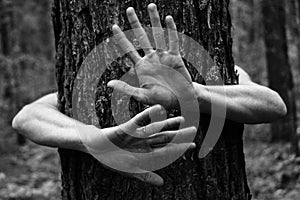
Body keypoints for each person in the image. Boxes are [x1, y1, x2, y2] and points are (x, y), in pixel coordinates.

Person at [12, 3, 287, 186]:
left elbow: (272, 105)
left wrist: (193, 94)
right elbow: (27, 117)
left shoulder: (222, 73)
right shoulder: (95, 86)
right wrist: (95, 141)